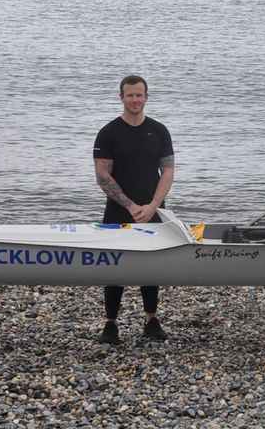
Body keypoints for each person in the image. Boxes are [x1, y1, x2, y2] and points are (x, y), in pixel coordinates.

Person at [93, 74, 174, 344]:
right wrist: (130, 205)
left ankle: (151, 319)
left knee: (151, 264)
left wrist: (152, 206)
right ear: (121, 97)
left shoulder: (159, 131)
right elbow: (102, 175)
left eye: (139, 95)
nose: (135, 100)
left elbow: (168, 171)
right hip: (118, 209)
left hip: (154, 210)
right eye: (130, 95)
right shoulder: (109, 132)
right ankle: (111, 324)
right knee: (114, 266)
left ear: (147, 97)